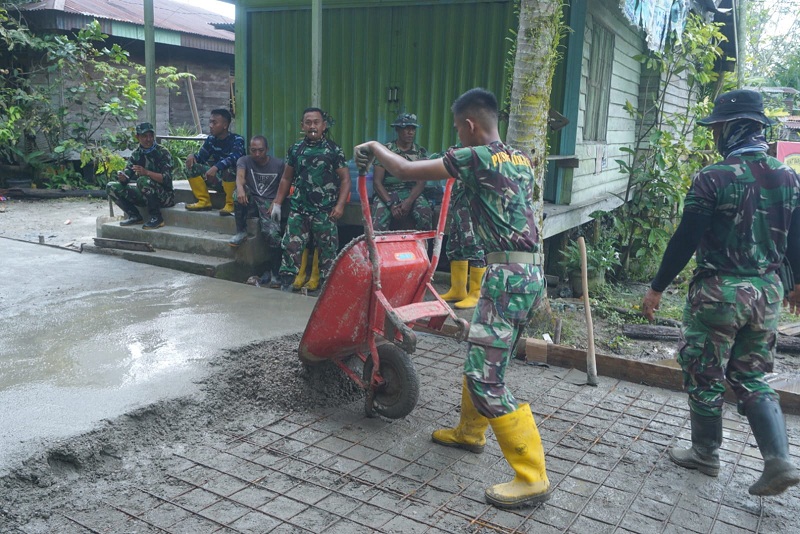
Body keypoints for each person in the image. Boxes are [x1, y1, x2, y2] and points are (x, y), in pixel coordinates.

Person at [355, 88, 550, 509]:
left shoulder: (475, 157)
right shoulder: (519, 159)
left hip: (506, 278)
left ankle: (531, 476)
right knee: (482, 353)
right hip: (527, 272)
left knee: (486, 378)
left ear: (469, 125)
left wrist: (373, 147)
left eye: (457, 128)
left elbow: (405, 170)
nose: (457, 136)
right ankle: (469, 432)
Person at [641, 89, 800, 496]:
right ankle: (778, 460)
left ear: (729, 129)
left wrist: (657, 288)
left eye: (717, 129)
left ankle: (705, 453)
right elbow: (797, 237)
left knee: (704, 371)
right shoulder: (789, 177)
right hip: (767, 294)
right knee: (751, 375)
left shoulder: (714, 177)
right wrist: (796, 283)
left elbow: (685, 239)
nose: (715, 136)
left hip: (719, 293)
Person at [271, 107, 350, 292]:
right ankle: (287, 286)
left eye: (316, 122)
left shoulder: (333, 150)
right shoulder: (296, 149)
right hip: (299, 209)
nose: (312, 126)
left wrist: (340, 205)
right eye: (308, 122)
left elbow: (345, 179)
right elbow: (286, 178)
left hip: (325, 211)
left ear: (323, 126)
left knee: (327, 252)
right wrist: (277, 203)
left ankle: (326, 289)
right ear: (302, 126)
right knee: (290, 248)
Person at [230, 135, 286, 286]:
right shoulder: (244, 160)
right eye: (253, 150)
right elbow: (240, 176)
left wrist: (276, 201)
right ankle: (241, 231)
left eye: (260, 150)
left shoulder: (279, 164)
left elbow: (285, 184)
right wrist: (241, 188)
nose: (257, 154)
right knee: (237, 193)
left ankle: (276, 273)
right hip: (252, 200)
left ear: (267, 150)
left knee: (272, 235)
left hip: (270, 202)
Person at [106, 122, 174, 230]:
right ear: (137, 137)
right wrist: (123, 178)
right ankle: (134, 215)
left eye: (150, 136)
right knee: (111, 186)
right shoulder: (136, 154)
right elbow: (128, 175)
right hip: (145, 193)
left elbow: (166, 179)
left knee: (143, 180)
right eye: (144, 136)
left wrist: (147, 172)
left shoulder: (162, 152)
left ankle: (157, 217)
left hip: (164, 196)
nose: (148, 139)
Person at [371, 113, 433, 232]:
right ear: (397, 129)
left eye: (413, 128)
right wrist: (391, 205)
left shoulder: (420, 152)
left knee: (425, 215)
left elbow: (421, 182)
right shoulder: (385, 151)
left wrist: (408, 202)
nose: (410, 132)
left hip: (411, 192)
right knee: (377, 226)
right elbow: (377, 183)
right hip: (388, 193)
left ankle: (421, 249)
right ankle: (379, 250)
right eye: (406, 128)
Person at [184, 108, 245, 216]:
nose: (210, 125)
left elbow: (235, 157)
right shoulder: (211, 139)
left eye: (214, 122)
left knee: (230, 169)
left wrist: (216, 167)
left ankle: (230, 204)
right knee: (191, 166)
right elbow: (201, 158)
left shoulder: (237, 139)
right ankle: (204, 201)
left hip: (236, 183)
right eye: (210, 122)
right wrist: (192, 156)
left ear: (225, 125)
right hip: (218, 180)